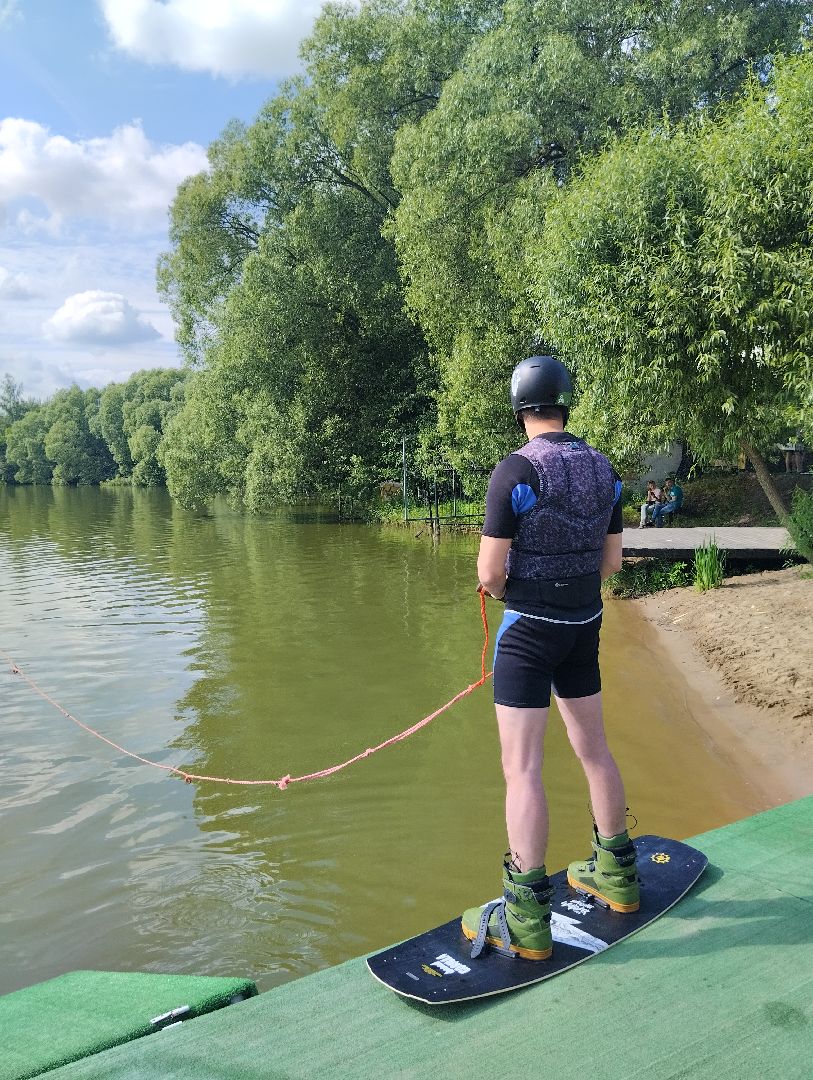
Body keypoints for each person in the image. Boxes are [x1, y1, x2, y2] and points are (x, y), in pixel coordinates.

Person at [461, 355, 639, 962]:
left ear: (520, 410)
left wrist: (516, 595)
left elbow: (490, 572)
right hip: (583, 625)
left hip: (529, 634)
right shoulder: (603, 468)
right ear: (566, 404)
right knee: (595, 750)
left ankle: (528, 919)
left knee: (524, 770)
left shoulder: (514, 470)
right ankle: (617, 876)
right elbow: (610, 564)